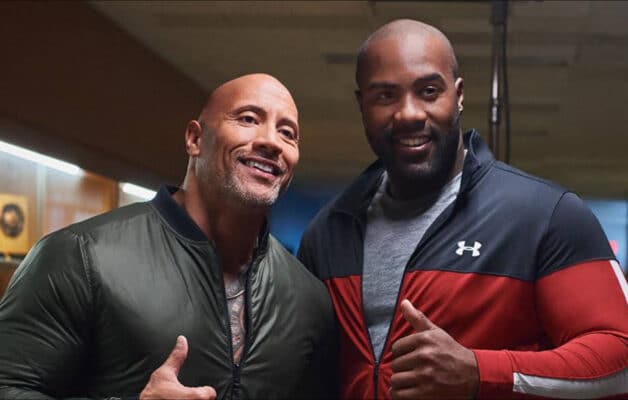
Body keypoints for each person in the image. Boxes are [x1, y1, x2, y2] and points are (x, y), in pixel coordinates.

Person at [298, 19, 628, 400]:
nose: (408, 113)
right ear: (362, 105)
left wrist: (480, 372)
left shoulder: (545, 215)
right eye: (385, 96)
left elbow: (620, 360)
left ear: (458, 96)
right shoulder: (329, 230)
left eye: (428, 91)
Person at [0, 73, 336, 400]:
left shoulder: (309, 299)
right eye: (248, 119)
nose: (271, 141)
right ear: (195, 139)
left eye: (287, 133)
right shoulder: (81, 256)